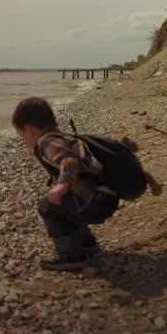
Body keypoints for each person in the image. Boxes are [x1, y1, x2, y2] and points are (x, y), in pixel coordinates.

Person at [11, 97, 119, 271]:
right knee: (68, 202)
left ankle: (72, 256)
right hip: (105, 197)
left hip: (94, 202)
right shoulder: (64, 137)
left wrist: (62, 186)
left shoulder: (46, 141)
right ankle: (87, 245)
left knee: (48, 206)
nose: (23, 141)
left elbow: (69, 162)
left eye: (21, 135)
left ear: (30, 130)